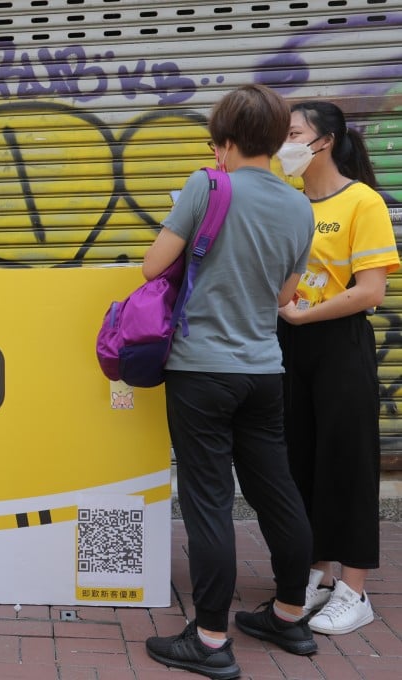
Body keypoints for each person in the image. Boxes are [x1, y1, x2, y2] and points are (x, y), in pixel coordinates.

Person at [141, 84, 319, 679]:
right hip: (265, 370)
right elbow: (283, 297)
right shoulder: (300, 206)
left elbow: (152, 264)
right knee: (276, 490)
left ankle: (211, 639)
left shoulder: (208, 186)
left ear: (225, 140)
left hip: (201, 370)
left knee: (210, 501)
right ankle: (292, 615)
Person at [276, 101, 399, 635]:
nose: (284, 144)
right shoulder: (290, 201)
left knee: (347, 464)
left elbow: (371, 291)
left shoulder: (361, 201)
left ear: (323, 141)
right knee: (300, 459)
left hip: (338, 343)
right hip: (290, 341)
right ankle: (315, 574)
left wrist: (305, 315)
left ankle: (355, 589)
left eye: (293, 133)